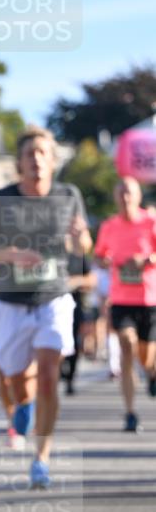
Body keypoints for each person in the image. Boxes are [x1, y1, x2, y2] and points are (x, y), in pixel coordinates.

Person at [0, 125, 92, 489]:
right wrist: (8, 254)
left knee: (50, 375)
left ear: (52, 161)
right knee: (16, 378)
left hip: (53, 297)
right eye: (29, 154)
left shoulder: (68, 195)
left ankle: (41, 458)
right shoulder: (1, 199)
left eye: (43, 153)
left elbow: (84, 245)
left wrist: (79, 237)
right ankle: (23, 407)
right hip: (10, 302)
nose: (36, 160)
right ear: (19, 164)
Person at [95, 177, 156, 431]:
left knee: (146, 357)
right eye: (121, 193)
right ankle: (130, 413)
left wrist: (147, 259)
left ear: (138, 196)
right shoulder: (109, 226)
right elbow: (99, 256)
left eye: (129, 193)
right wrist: (106, 262)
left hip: (149, 299)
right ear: (115, 197)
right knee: (126, 346)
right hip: (120, 299)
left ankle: (152, 373)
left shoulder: (151, 222)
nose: (125, 198)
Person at [60, 252, 97, 395]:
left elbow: (92, 280)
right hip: (51, 307)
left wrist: (75, 281)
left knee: (74, 343)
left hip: (75, 307)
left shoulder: (79, 257)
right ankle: (59, 370)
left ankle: (70, 378)